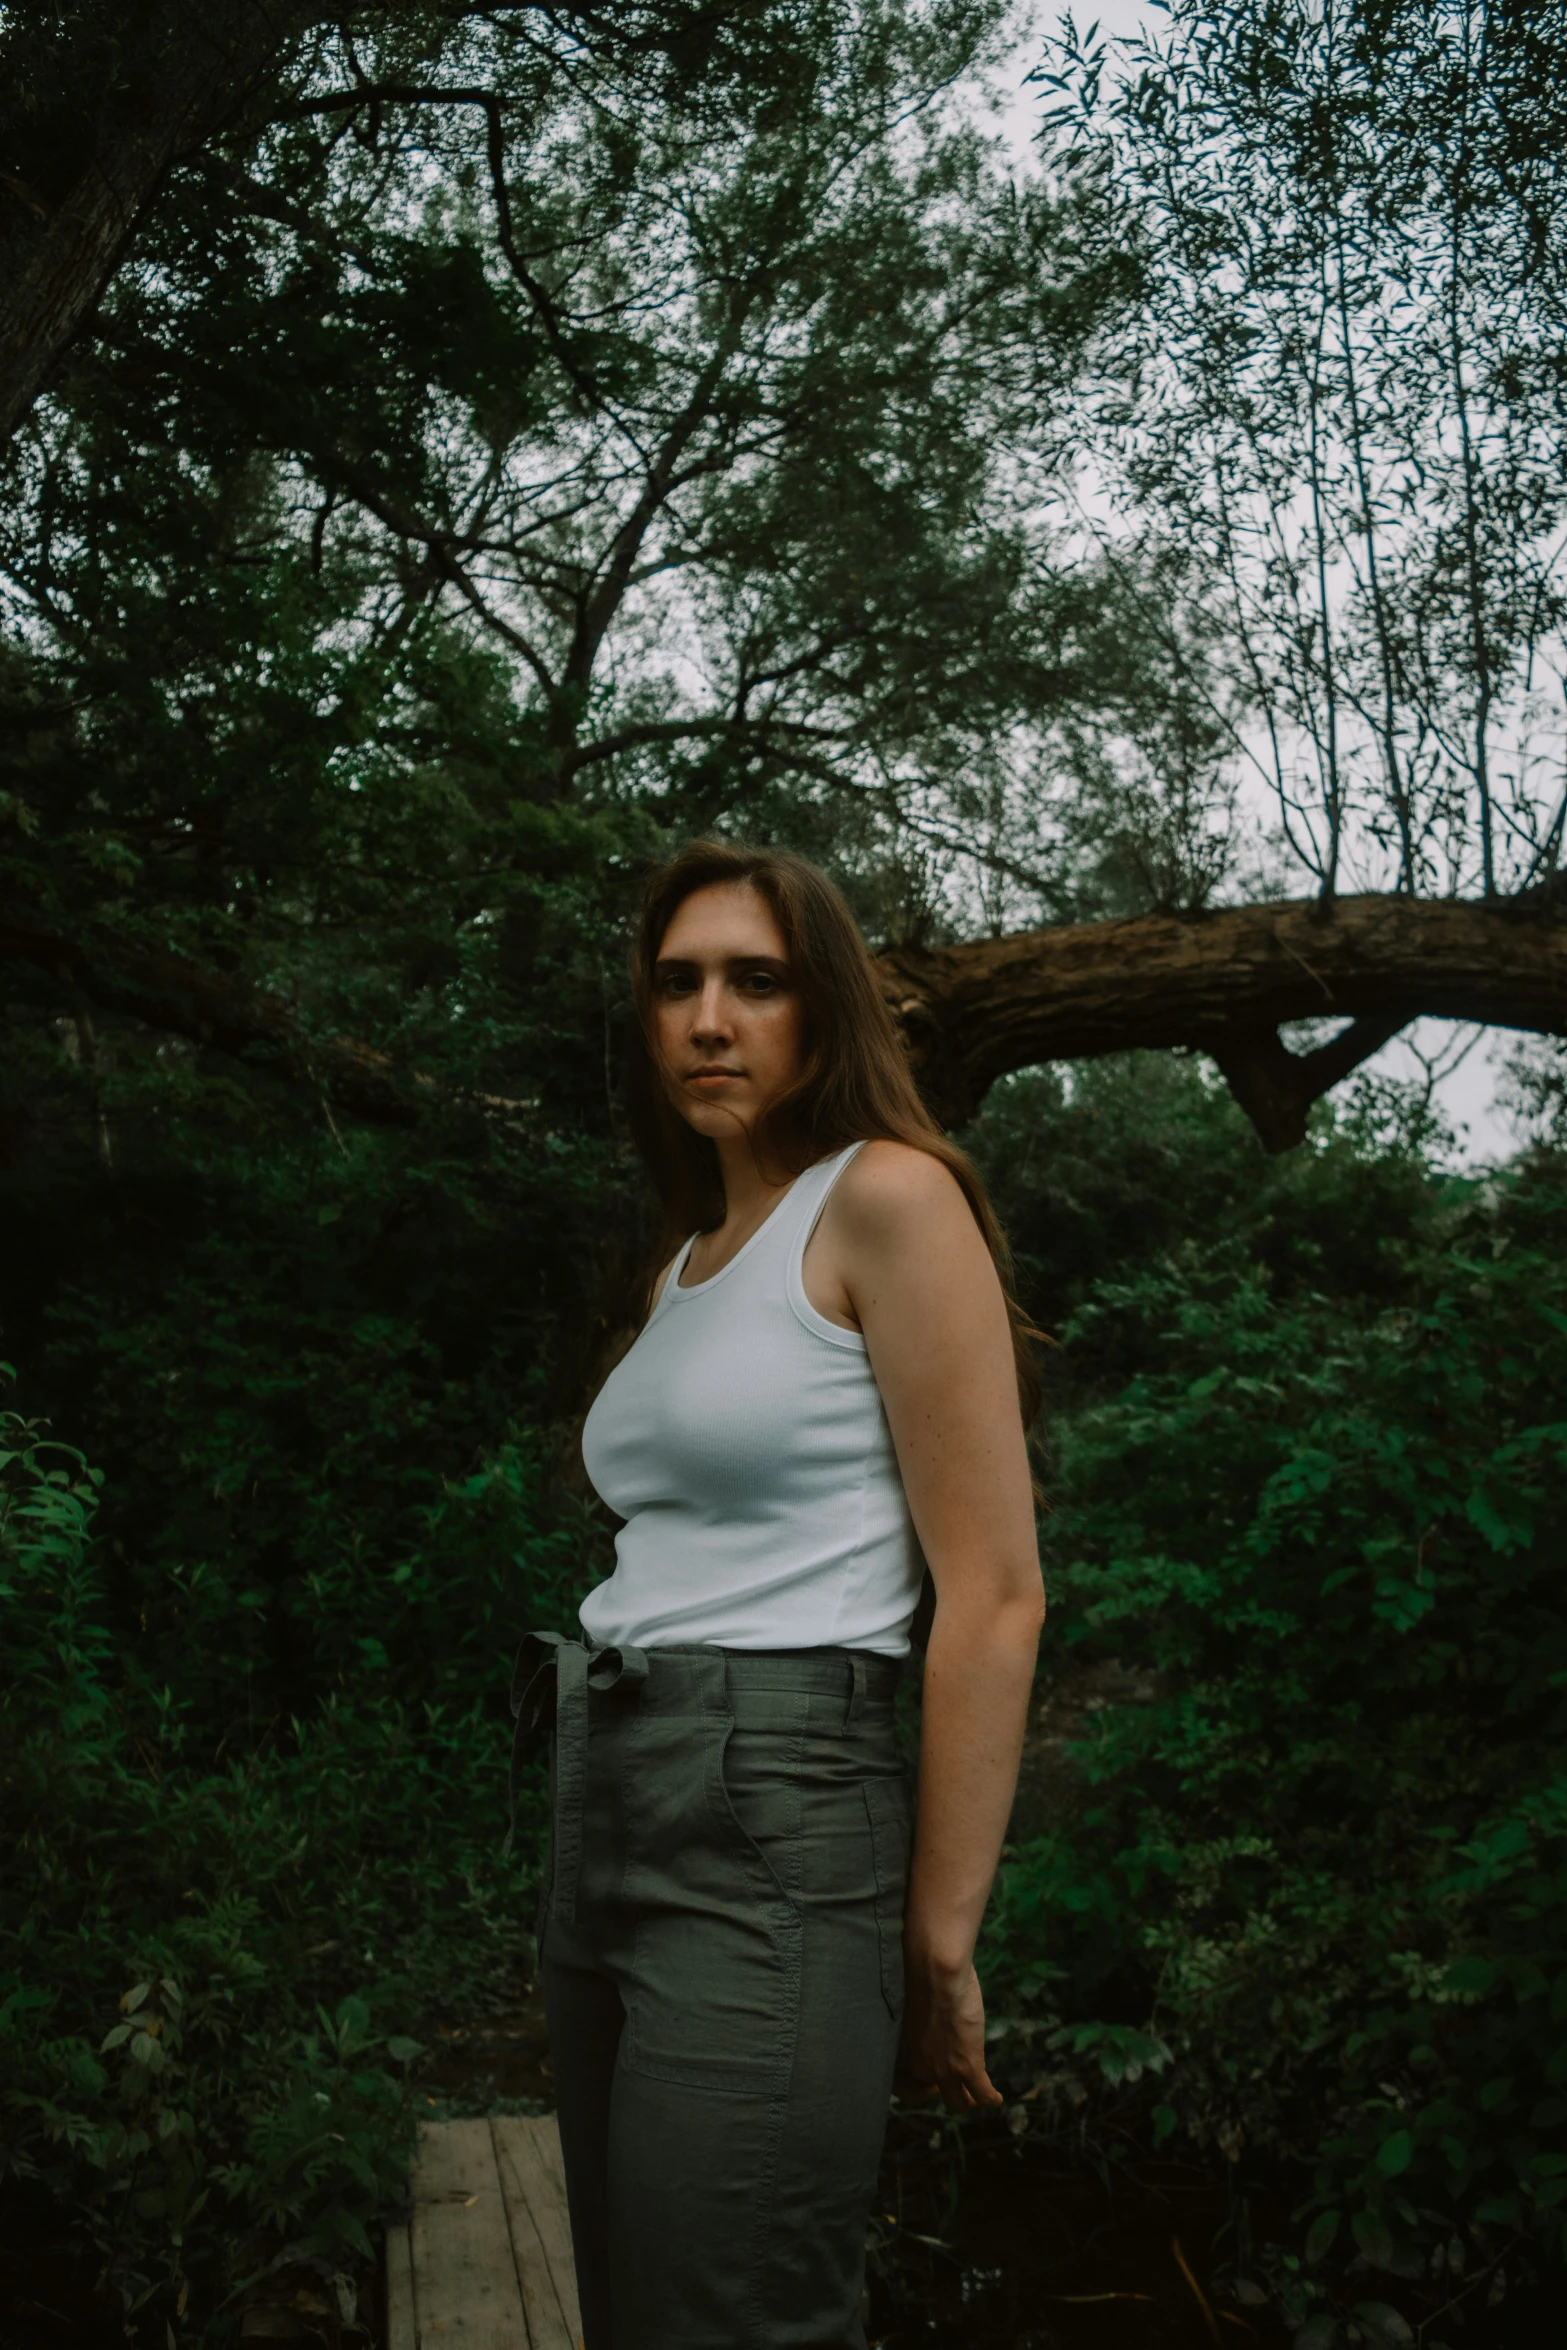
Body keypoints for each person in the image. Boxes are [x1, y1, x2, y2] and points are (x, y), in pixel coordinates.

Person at [515, 839, 1045, 2350]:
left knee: (732, 2313)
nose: (706, 1016)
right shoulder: (684, 1266)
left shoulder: (886, 1197)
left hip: (775, 1799)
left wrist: (937, 1936)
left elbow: (996, 1591)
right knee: (635, 2306)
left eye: (755, 980)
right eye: (675, 981)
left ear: (825, 1011)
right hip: (605, 1789)